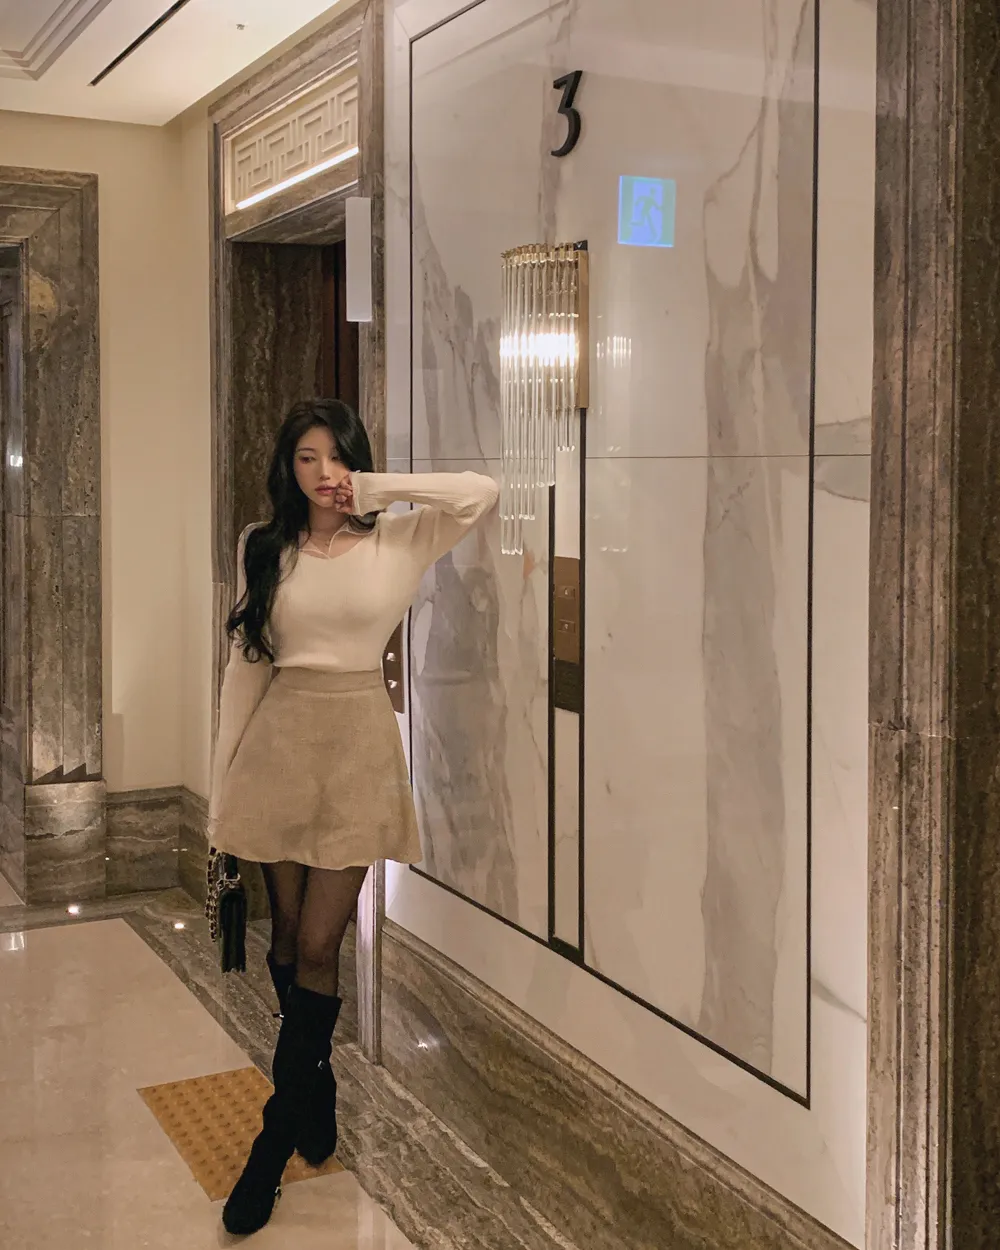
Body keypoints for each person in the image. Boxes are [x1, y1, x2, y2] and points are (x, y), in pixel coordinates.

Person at [208, 398, 498, 1235]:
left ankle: (270, 1148)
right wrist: (221, 795)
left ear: (356, 460)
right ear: (286, 467)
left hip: (357, 748)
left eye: (336, 456)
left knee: (317, 945)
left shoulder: (399, 539)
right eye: (307, 458)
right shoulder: (264, 547)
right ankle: (316, 1080)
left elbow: (480, 493)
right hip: (278, 745)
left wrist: (373, 489)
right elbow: (244, 667)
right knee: (284, 939)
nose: (323, 473)